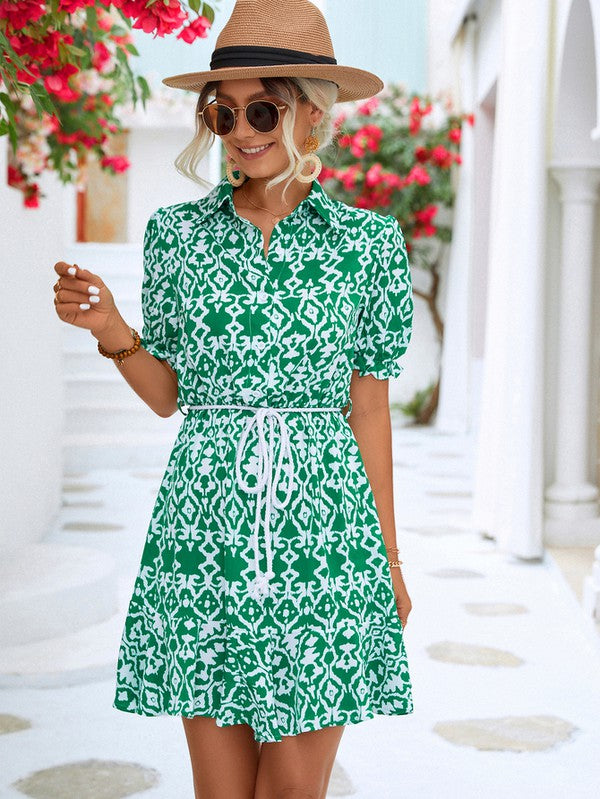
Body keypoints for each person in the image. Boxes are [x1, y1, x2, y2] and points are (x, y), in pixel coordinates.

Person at [52, 1, 414, 796]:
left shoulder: (367, 246)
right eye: (222, 112)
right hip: (203, 540)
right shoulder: (178, 234)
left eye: (263, 109)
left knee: (289, 789)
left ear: (311, 116)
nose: (241, 130)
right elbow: (169, 395)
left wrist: (387, 561)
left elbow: (370, 408)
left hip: (327, 547)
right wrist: (113, 329)